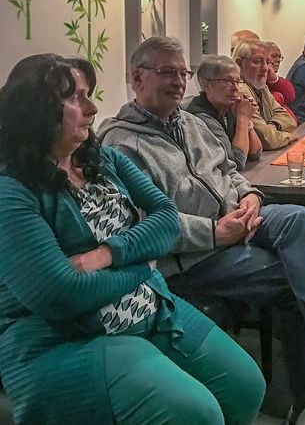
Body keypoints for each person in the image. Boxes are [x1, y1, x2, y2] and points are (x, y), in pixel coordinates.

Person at [98, 36, 305, 421]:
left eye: (182, 72)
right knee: (300, 277)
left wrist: (249, 194)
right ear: (138, 78)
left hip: (239, 221)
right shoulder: (121, 144)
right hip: (193, 257)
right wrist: (215, 232)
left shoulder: (190, 123)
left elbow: (229, 168)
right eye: (168, 72)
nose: (179, 81)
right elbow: (141, 225)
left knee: (301, 218)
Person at [0, 53, 265, 425]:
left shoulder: (101, 160)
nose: (92, 108)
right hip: (64, 340)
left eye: (89, 95)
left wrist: (110, 253)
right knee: (196, 412)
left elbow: (166, 219)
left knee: (246, 386)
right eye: (75, 98)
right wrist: (143, 266)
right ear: (37, 111)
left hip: (151, 307)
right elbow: (61, 295)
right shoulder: (13, 191)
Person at [186, 54, 262, 170]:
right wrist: (243, 117)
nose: (235, 88)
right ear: (206, 85)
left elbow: (256, 153)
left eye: (237, 81)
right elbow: (236, 162)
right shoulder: (201, 117)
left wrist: (247, 123)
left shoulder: (226, 108)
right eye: (228, 81)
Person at [233, 38, 297, 150]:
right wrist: (289, 136)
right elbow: (268, 140)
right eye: (258, 61)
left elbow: (289, 119)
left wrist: (273, 125)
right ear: (239, 64)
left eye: (268, 62)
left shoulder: (261, 87)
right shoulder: (240, 92)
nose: (265, 68)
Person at [266, 41, 297, 121]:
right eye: (273, 56)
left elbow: (291, 96)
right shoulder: (257, 81)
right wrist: (279, 97)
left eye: (279, 57)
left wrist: (274, 79)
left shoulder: (274, 79)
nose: (278, 60)